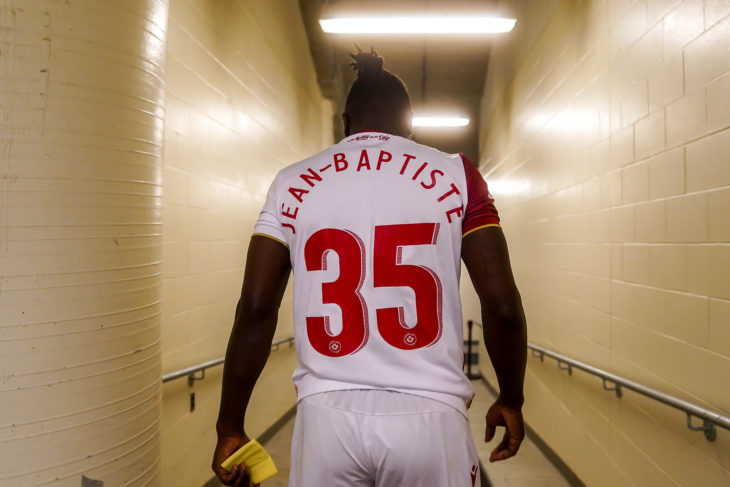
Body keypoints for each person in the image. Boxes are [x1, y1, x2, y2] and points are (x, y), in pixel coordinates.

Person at [212, 48, 527, 487]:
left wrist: (230, 425)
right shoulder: (457, 176)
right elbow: (501, 304)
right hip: (430, 415)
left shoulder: (290, 183)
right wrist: (511, 397)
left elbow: (256, 310)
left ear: (345, 125)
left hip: (325, 418)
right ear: (410, 126)